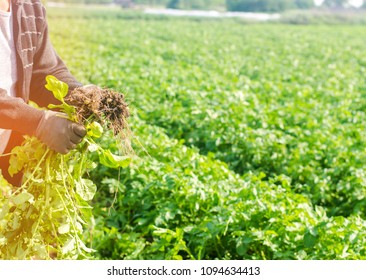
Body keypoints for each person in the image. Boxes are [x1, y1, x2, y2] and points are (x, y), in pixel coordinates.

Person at [0, 0, 87, 186]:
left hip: (6, 148)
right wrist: (39, 123)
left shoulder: (29, 7)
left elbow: (44, 71)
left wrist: (79, 96)